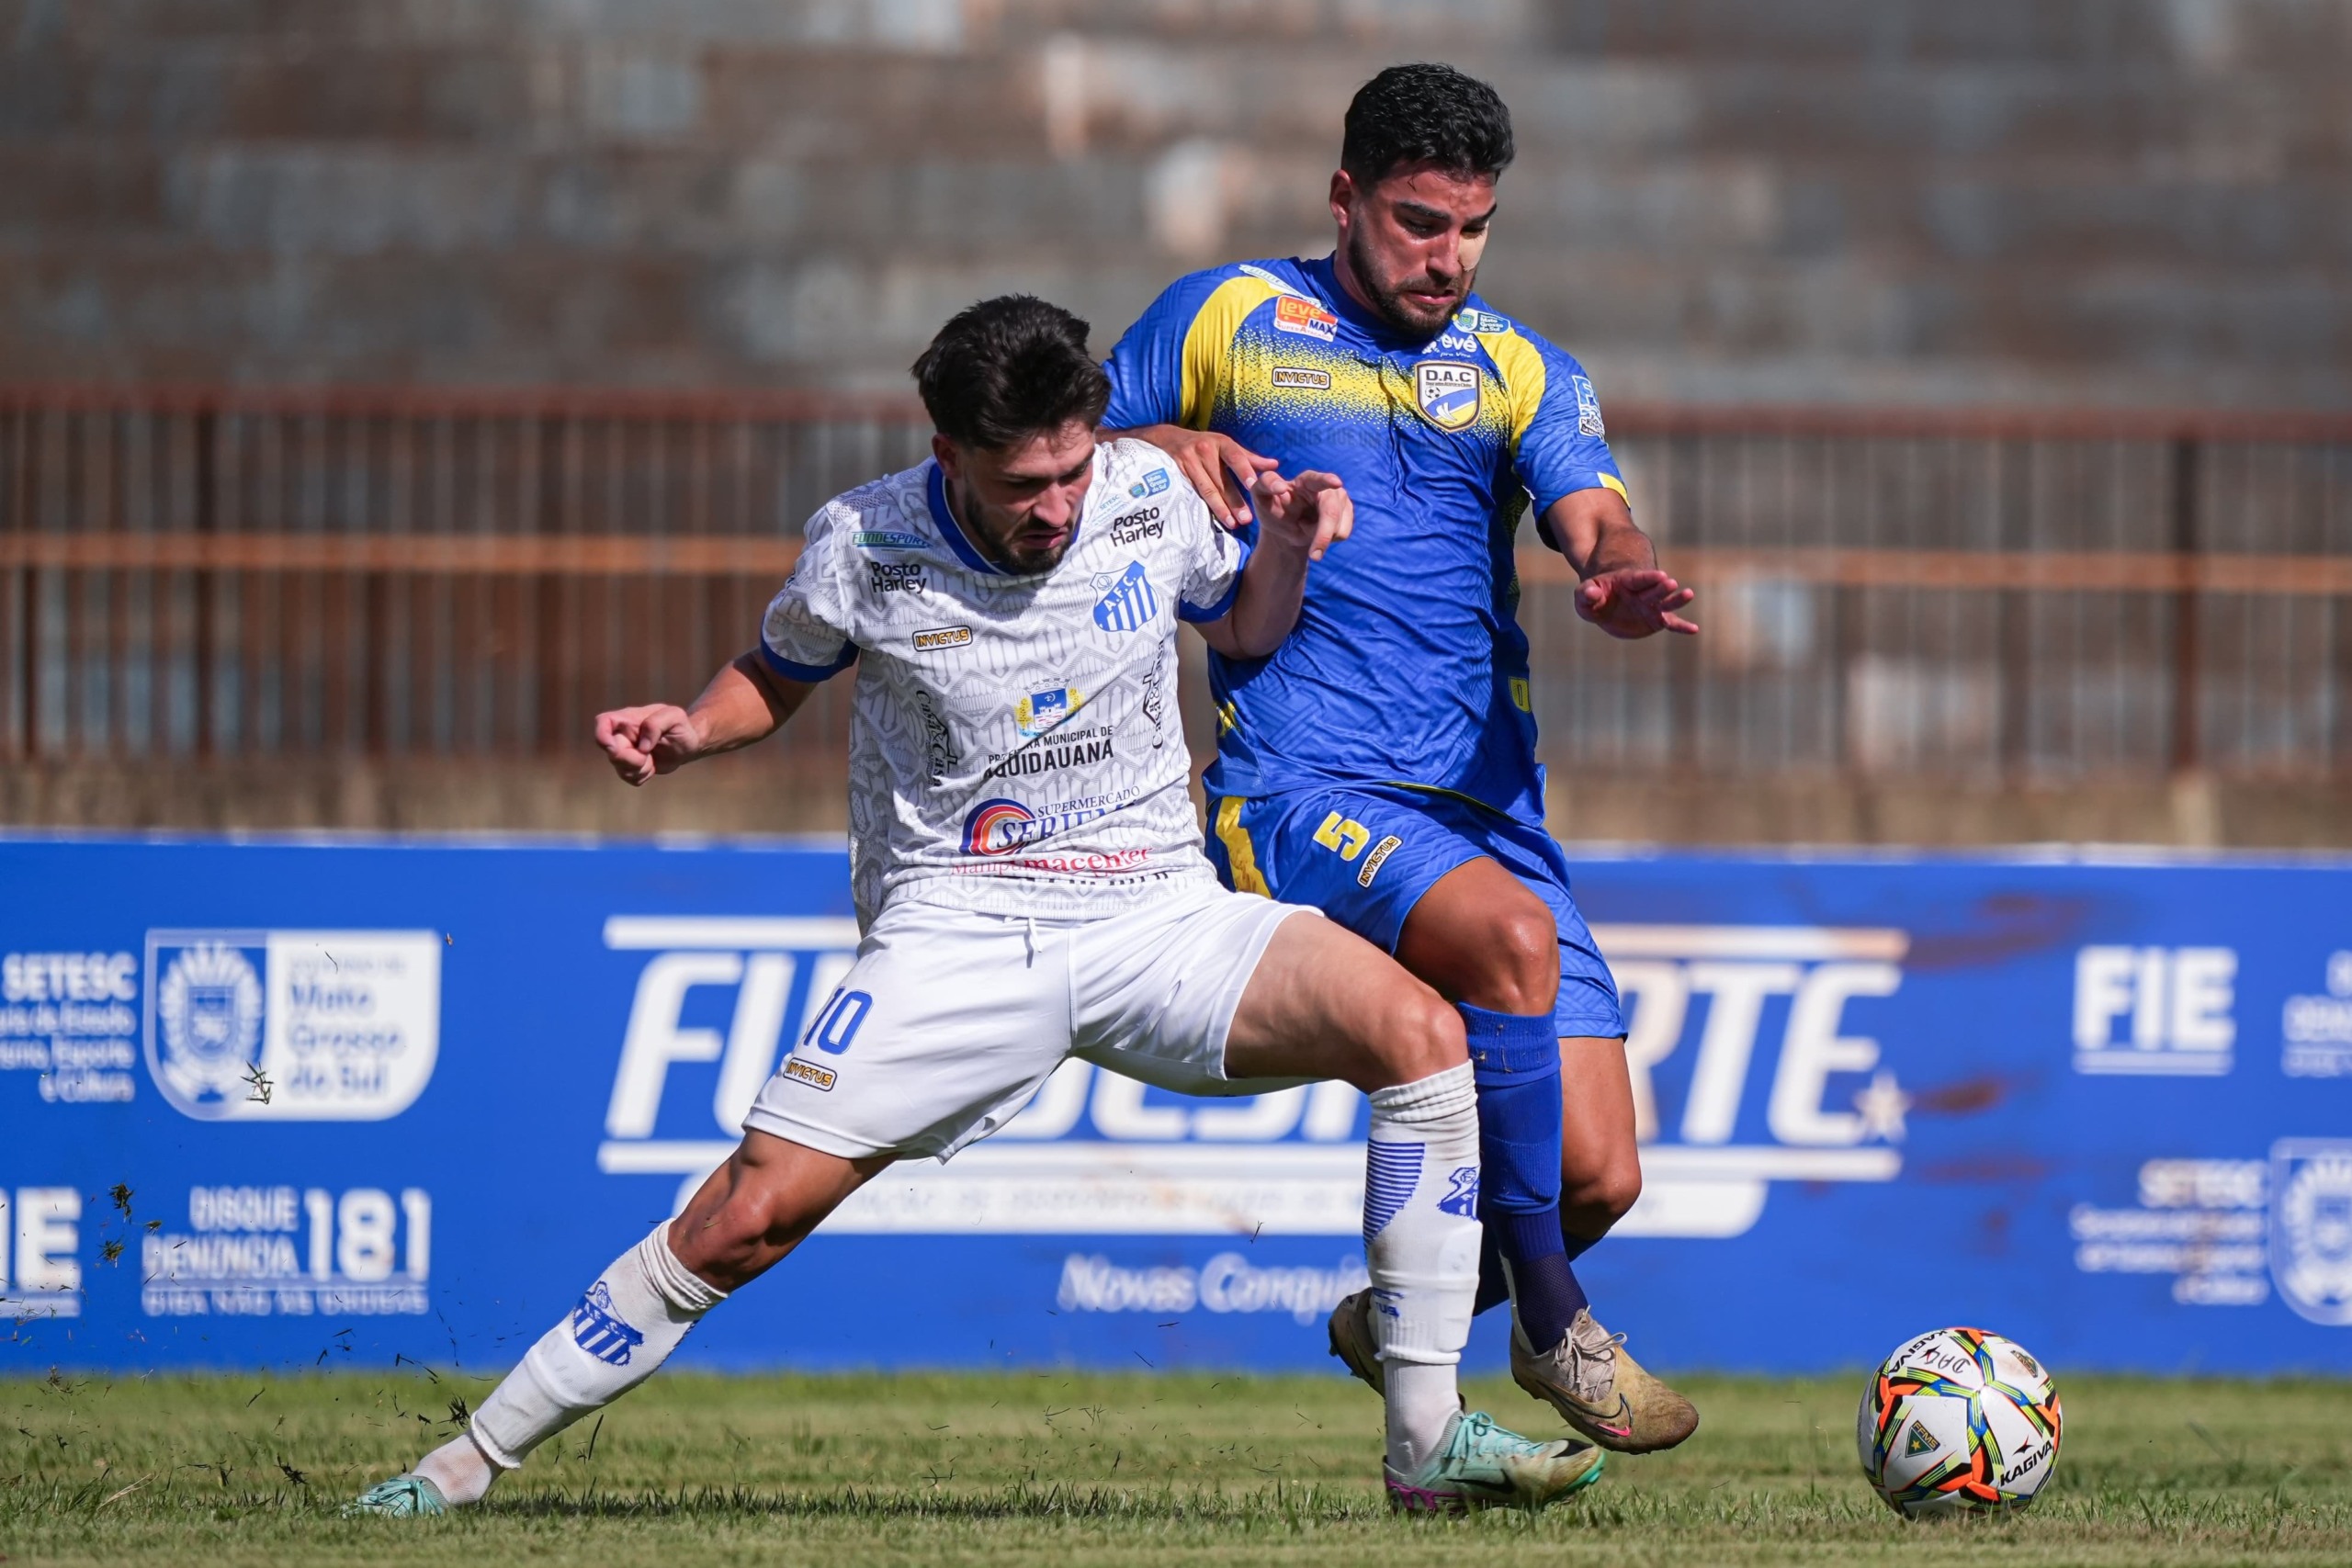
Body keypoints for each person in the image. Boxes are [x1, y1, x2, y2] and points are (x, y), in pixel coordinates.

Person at [347, 296, 1603, 1517]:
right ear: (947, 453)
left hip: (1157, 912)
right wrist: (689, 730)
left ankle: (1425, 1444)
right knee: (743, 1219)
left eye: (1070, 473)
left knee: (1422, 1037)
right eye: (1022, 486)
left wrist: (1281, 544)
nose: (1056, 508)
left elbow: (1250, 628)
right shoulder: (864, 543)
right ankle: (456, 1469)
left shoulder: (1148, 493)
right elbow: (772, 677)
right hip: (957, 933)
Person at [1101, 63, 1701, 1453]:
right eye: (1420, 222)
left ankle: (1396, 1318)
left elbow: (1595, 513)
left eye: (1473, 229)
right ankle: (1551, 1330)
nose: (1448, 257)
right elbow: (1060, 445)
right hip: (1302, 785)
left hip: (1486, 802)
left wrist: (1616, 573)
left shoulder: (1516, 364)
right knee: (1502, 947)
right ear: (1347, 198)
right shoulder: (1232, 318)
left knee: (1597, 1173)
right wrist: (1163, 439)